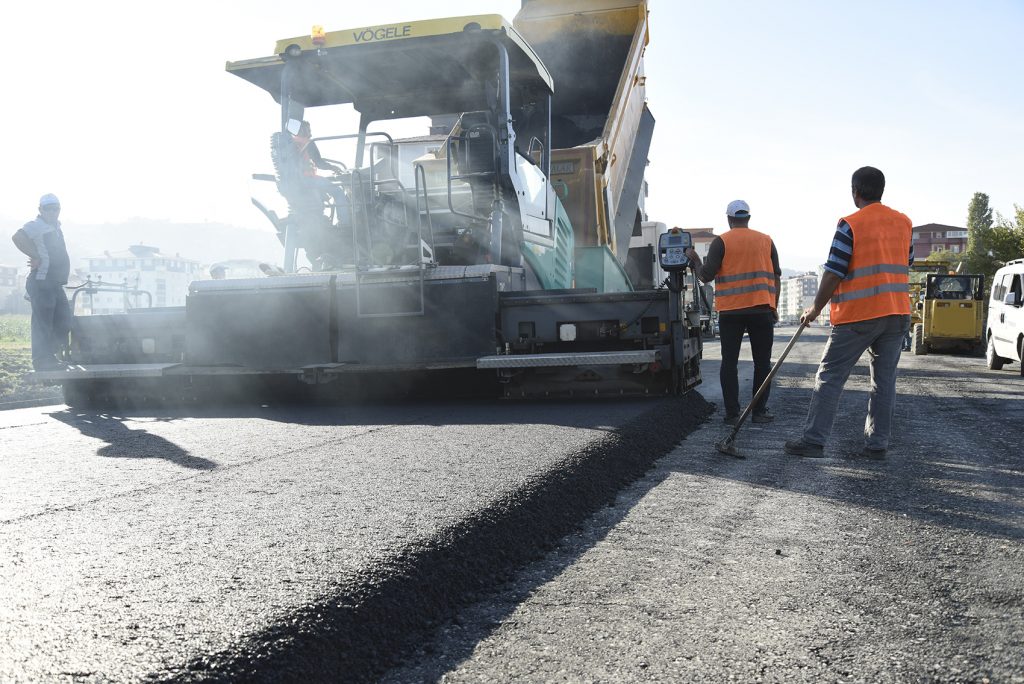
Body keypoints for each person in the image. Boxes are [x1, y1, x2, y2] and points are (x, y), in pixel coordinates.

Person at [784, 166, 913, 459]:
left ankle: (814, 441)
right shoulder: (904, 223)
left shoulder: (850, 224)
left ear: (855, 192)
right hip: (896, 314)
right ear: (881, 191)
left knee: (830, 377)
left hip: (859, 314)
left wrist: (815, 308)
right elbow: (907, 261)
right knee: (884, 383)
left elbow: (833, 272)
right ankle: (877, 446)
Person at [686, 200, 782, 425]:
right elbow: (776, 276)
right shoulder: (766, 240)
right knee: (762, 363)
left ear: (729, 219)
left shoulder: (722, 241)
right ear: (748, 217)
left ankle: (732, 414)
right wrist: (773, 306)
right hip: (761, 310)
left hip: (731, 312)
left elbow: (706, 276)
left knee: (729, 363)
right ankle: (759, 412)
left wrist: (696, 260)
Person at [11, 194, 72, 370]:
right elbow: (17, 237)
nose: (53, 212)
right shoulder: (37, 225)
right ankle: (42, 361)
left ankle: (49, 357)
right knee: (43, 323)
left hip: (54, 283)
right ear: (40, 210)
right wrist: (34, 254)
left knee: (65, 321)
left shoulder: (55, 227)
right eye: (49, 208)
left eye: (56, 208)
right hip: (41, 281)